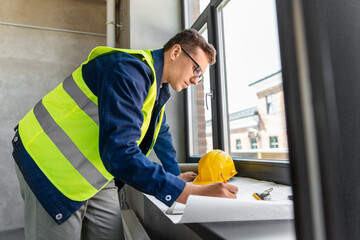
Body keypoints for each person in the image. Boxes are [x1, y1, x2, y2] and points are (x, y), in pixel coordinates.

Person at [12, 28, 238, 240]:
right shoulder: (128, 71)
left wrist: (174, 175)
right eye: (196, 70)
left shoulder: (155, 88)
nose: (195, 81)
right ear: (176, 51)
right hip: (48, 164)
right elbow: (120, 153)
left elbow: (161, 136)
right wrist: (189, 192)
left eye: (200, 77)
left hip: (94, 172)